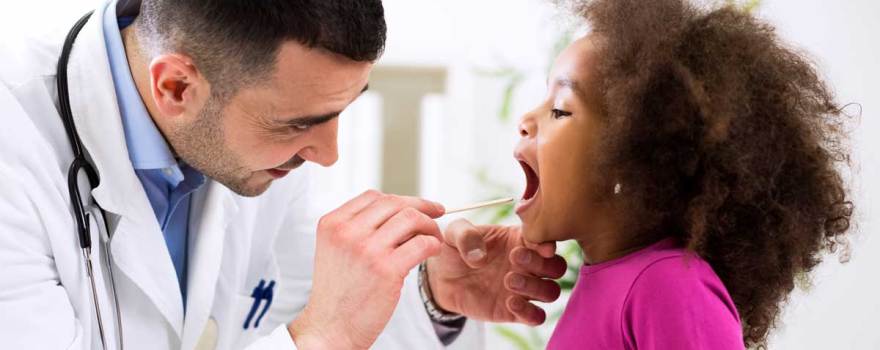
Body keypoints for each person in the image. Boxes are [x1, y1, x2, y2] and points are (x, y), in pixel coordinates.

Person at [0, 0, 565, 348]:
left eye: (342, 111)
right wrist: (323, 339)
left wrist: (429, 292)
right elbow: (317, 331)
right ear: (176, 87)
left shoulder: (251, 143)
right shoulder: (15, 148)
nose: (328, 154)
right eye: (299, 124)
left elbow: (306, 303)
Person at [473, 0, 854, 348]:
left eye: (560, 109)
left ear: (629, 157)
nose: (525, 120)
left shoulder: (667, 286)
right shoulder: (612, 280)